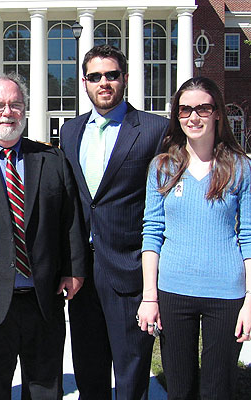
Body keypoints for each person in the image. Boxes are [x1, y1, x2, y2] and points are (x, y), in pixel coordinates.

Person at [0, 74, 87, 399]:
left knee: (44, 389)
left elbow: (70, 217)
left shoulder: (51, 159)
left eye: (15, 105)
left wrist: (74, 267)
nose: (7, 112)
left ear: (25, 110)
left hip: (42, 301)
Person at [59, 44, 169, 399]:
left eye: (111, 75)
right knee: (89, 373)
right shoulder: (71, 131)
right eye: (94, 76)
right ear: (84, 82)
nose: (103, 82)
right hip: (82, 275)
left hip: (129, 272)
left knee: (131, 375)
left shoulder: (155, 130)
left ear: (125, 78)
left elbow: (165, 204)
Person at [138, 76, 251, 398]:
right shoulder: (163, 167)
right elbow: (152, 232)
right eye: (185, 110)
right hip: (174, 290)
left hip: (226, 293)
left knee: (219, 387)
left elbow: (249, 233)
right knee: (179, 385)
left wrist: (250, 299)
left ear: (217, 112)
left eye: (202, 108)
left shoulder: (240, 168)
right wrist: (149, 297)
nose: (193, 117)